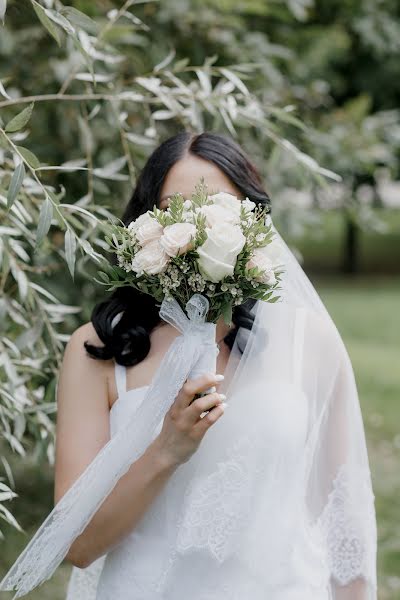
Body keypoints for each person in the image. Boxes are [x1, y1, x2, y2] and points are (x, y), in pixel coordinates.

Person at [0, 131, 376, 599]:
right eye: (177, 208)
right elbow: (77, 546)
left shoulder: (310, 342)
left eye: (216, 208)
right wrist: (167, 449)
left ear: (252, 226)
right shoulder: (96, 352)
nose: (197, 227)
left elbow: (346, 526)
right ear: (146, 224)